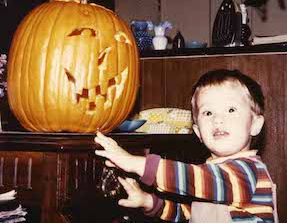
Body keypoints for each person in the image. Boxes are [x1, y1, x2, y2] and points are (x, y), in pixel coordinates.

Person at [95, 69, 278, 223]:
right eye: (208, 112)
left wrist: (136, 163)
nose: (218, 119)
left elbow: (190, 178)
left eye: (231, 110)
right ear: (198, 132)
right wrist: (150, 202)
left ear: (255, 124)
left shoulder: (248, 171)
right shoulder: (208, 175)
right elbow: (190, 213)